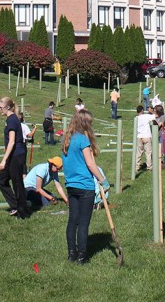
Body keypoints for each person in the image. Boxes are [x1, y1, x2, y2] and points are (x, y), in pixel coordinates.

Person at [61, 109, 108, 263]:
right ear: (85, 124)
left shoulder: (67, 139)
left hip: (71, 185)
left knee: (72, 220)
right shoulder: (82, 140)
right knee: (83, 222)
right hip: (85, 186)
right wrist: (103, 179)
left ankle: (71, 254)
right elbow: (90, 163)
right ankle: (82, 256)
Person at [0, 97, 29, 218]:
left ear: (8, 107)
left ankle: (23, 212)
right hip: (13, 155)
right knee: (1, 180)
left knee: (17, 183)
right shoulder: (12, 119)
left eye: (1, 107)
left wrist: (4, 160)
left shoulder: (11, 120)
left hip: (16, 155)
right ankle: (15, 205)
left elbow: (12, 142)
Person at [135, 105, 154, 171]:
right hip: (147, 136)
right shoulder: (146, 116)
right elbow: (155, 116)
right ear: (142, 110)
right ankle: (149, 167)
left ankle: (137, 166)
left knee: (139, 152)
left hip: (139, 137)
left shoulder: (136, 118)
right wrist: (152, 111)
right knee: (148, 152)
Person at [155, 104, 165, 169]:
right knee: (157, 150)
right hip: (156, 134)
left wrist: (153, 120)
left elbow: (159, 124)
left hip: (162, 134)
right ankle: (159, 163)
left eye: (155, 109)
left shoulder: (163, 116)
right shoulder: (155, 116)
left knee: (163, 150)